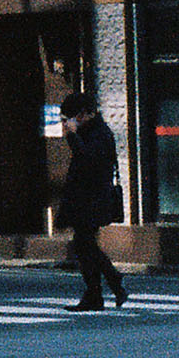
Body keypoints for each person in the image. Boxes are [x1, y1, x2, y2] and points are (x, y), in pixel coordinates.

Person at [59, 93, 126, 310]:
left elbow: (88, 161)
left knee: (84, 244)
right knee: (84, 246)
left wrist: (72, 136)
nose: (70, 122)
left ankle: (110, 282)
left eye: (73, 117)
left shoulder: (99, 134)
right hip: (84, 199)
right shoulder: (90, 132)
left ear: (84, 114)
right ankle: (98, 292)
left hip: (93, 199)